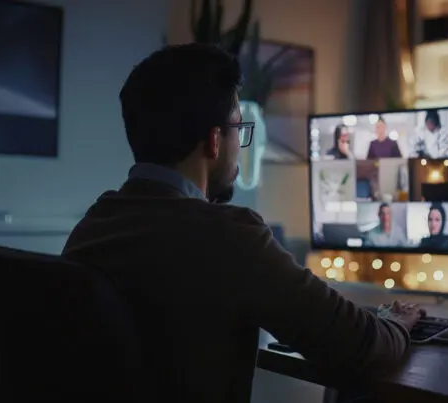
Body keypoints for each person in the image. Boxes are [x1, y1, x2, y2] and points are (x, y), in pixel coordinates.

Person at [61, 44, 422, 403]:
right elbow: (360, 346)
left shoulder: (93, 226)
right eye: (239, 128)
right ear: (215, 140)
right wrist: (396, 323)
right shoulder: (228, 236)